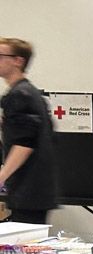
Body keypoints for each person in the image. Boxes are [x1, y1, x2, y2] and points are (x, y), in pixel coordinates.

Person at [0, 37, 57, 225]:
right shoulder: (31, 93)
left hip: (27, 189)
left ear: (18, 61)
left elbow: (24, 144)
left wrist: (1, 177)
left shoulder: (19, 95)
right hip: (35, 189)